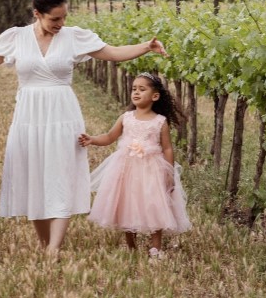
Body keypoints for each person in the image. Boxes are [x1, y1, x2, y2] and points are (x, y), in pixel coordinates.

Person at [0, 0, 166, 256]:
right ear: (37, 14)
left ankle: (54, 247)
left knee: (61, 174)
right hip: (29, 116)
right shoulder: (16, 37)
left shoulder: (74, 36)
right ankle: (45, 245)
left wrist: (145, 47)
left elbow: (111, 52)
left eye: (64, 17)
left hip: (63, 113)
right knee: (34, 177)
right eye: (55, 19)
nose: (60, 23)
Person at [78, 72, 191, 259]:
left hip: (152, 169)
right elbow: (109, 137)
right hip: (126, 168)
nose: (136, 92)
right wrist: (92, 139)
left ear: (155, 96)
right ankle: (131, 245)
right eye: (134, 89)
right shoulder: (126, 117)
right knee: (127, 202)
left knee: (154, 204)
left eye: (142, 89)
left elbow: (167, 148)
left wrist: (169, 172)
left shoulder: (160, 122)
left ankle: (155, 248)